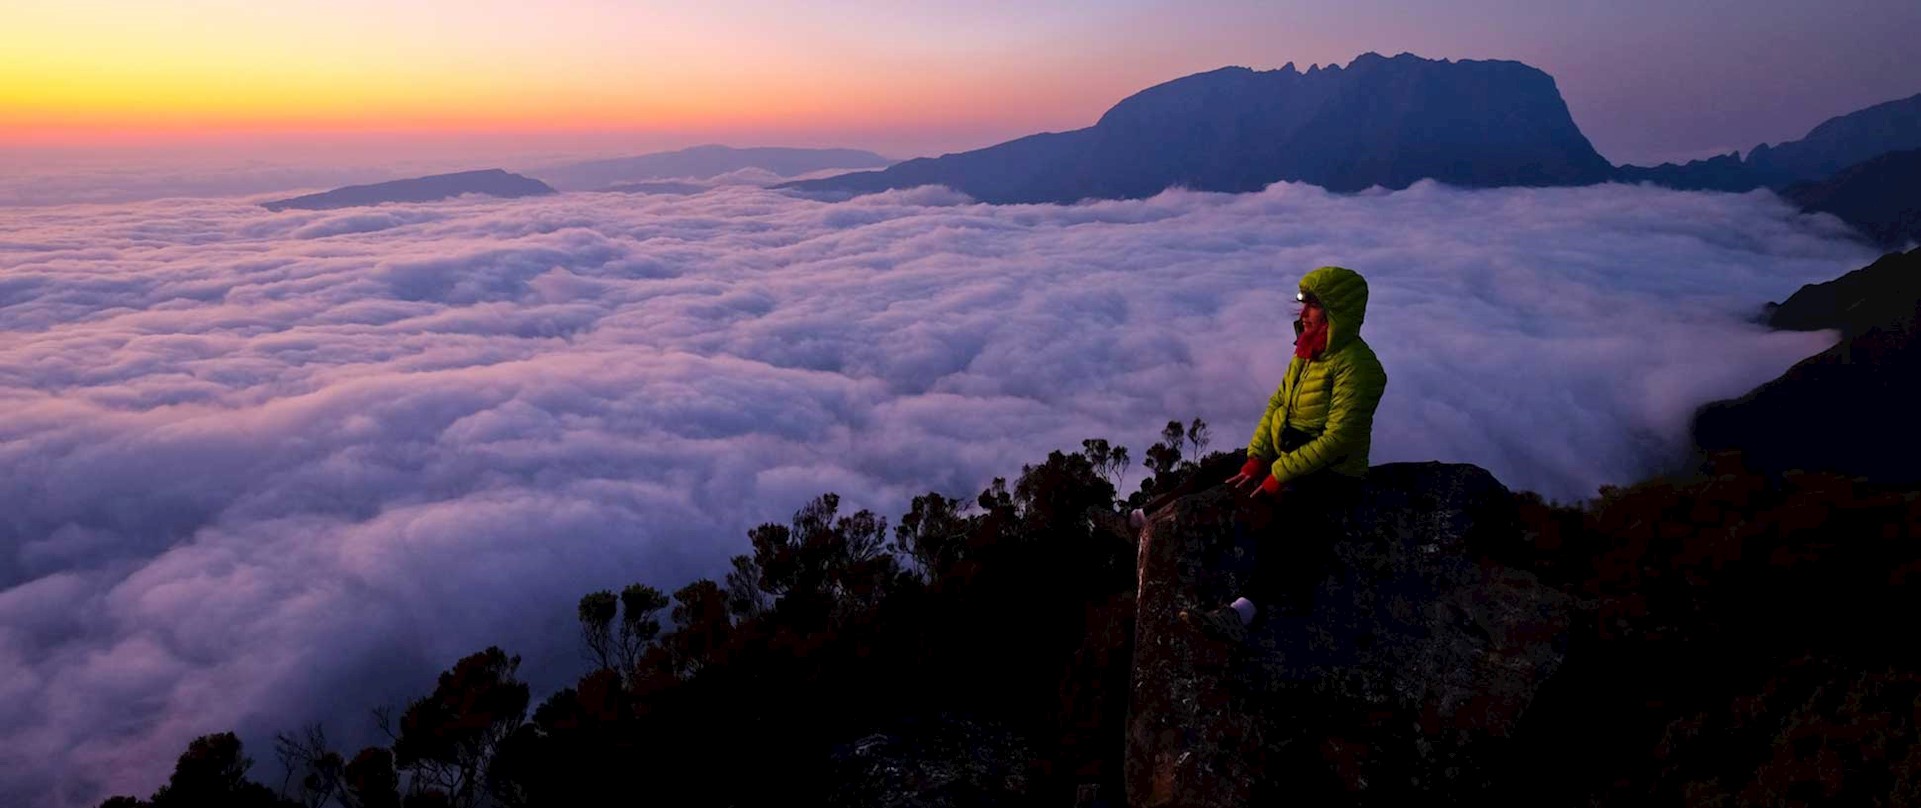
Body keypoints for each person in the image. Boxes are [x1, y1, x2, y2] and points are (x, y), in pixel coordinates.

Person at [1161, 265, 1388, 643]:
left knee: (1291, 517)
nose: (1303, 313)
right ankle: (1142, 518)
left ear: (1336, 310)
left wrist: (1280, 474)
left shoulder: (1361, 368)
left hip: (1333, 471)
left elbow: (1337, 440)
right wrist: (1257, 455)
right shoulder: (1307, 351)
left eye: (1311, 306)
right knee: (1222, 469)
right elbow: (1278, 404)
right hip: (1289, 453)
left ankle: (1245, 609)